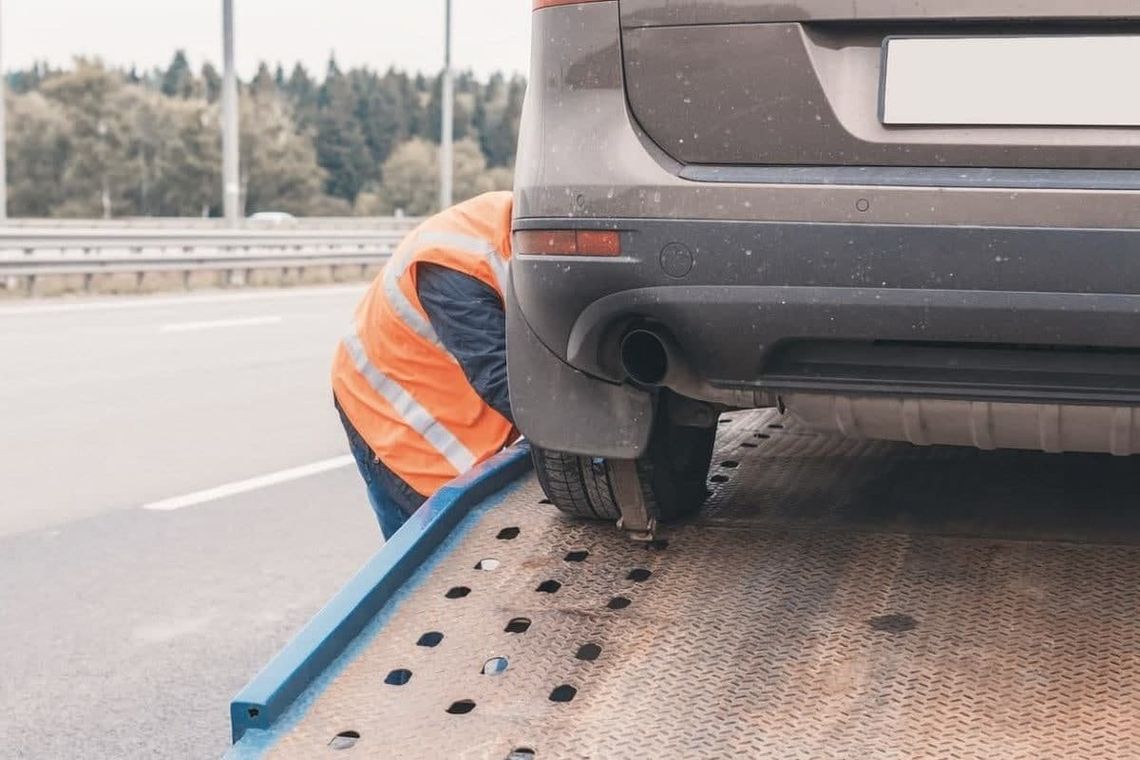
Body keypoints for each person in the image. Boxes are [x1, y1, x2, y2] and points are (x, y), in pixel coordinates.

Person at [331, 191, 515, 539]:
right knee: (429, 559)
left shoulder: (521, 223)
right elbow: (501, 379)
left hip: (444, 396)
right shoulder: (456, 265)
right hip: (391, 418)